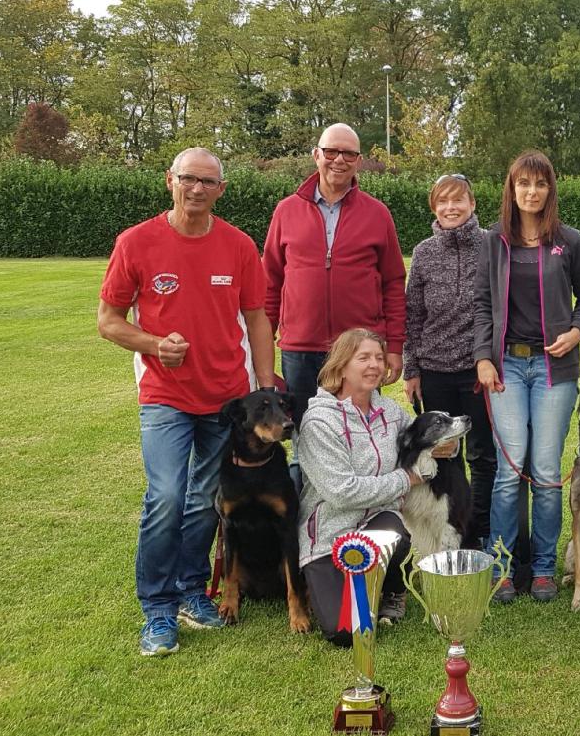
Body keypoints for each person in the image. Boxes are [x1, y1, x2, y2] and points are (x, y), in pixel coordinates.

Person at [97, 147, 276, 656]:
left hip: (227, 399)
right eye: (187, 179)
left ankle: (192, 592)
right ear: (169, 181)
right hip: (165, 396)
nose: (196, 189)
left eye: (208, 182)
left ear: (221, 190)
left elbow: (257, 317)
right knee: (167, 497)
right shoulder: (136, 243)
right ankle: (156, 609)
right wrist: (154, 345)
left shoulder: (239, 246)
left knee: (204, 502)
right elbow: (108, 320)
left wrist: (263, 384)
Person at [474, 150, 580, 604]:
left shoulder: (571, 241)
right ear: (512, 189)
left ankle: (544, 568)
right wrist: (483, 358)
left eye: (540, 184)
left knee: (545, 472)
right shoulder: (492, 243)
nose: (531, 191)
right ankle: (504, 568)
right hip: (505, 366)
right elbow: (483, 306)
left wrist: (576, 331)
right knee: (510, 470)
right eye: (523, 183)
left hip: (553, 370)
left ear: (550, 189)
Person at [262, 123, 407, 489]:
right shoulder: (286, 211)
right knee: (303, 443)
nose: (339, 160)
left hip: (358, 351)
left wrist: (394, 347)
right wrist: (263, 345)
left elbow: (392, 281)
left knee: (362, 439)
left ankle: (359, 528)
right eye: (331, 152)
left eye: (349, 154)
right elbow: (270, 283)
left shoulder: (377, 214)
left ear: (359, 161)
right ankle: (305, 536)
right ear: (317, 155)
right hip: (300, 348)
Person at [297, 328, 444, 645]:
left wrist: (445, 444)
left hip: (377, 519)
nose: (375, 365)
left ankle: (392, 588)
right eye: (363, 358)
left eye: (379, 357)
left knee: (395, 530)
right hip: (328, 536)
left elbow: (421, 438)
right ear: (340, 366)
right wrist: (407, 479)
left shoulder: (390, 412)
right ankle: (348, 586)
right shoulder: (318, 421)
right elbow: (342, 492)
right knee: (345, 633)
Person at [403, 173, 497, 544]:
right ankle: (452, 527)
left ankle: (482, 531)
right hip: (434, 371)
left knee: (483, 455)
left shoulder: (492, 246)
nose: (450, 208)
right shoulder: (424, 252)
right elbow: (413, 314)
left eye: (458, 200)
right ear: (434, 208)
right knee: (444, 456)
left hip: (479, 369)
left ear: (472, 204)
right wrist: (412, 369)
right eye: (442, 201)